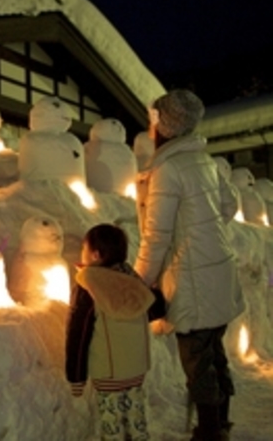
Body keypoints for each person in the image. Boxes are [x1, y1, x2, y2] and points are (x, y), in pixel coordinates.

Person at [134, 89, 245, 441]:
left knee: (197, 362)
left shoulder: (168, 170)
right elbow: (229, 206)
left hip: (193, 279)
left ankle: (210, 432)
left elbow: (157, 235)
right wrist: (204, 233)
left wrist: (139, 283)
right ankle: (221, 422)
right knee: (213, 350)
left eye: (154, 121)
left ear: (165, 127)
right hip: (218, 269)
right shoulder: (204, 161)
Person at [66, 223, 154, 441]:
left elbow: (78, 332)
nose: (81, 253)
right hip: (137, 370)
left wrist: (76, 378)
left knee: (112, 424)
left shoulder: (89, 286)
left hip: (108, 373)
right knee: (136, 421)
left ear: (95, 255)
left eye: (83, 249)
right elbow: (154, 306)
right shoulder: (134, 281)